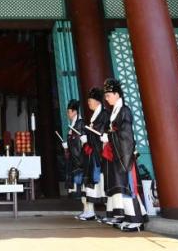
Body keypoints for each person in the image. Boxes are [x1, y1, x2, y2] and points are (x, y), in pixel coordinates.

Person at [99, 78, 147, 232]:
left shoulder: (124, 110)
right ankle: (129, 217)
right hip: (117, 153)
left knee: (128, 188)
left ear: (116, 94)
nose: (107, 99)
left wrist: (109, 136)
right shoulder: (116, 111)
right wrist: (108, 135)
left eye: (108, 96)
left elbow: (126, 135)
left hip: (124, 154)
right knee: (122, 188)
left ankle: (137, 221)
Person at [79, 87, 109, 221]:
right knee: (92, 184)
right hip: (93, 155)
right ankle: (90, 212)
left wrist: (92, 135)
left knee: (103, 184)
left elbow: (104, 132)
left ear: (97, 101)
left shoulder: (104, 114)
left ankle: (111, 213)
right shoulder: (95, 115)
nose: (88, 103)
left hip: (100, 156)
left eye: (90, 100)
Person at [62, 99, 86, 217]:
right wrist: (67, 145)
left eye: (69, 112)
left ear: (75, 112)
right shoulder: (73, 124)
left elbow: (80, 142)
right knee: (80, 187)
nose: (68, 114)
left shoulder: (80, 123)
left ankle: (88, 211)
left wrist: (70, 143)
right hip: (74, 158)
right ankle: (86, 210)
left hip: (80, 159)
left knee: (84, 187)